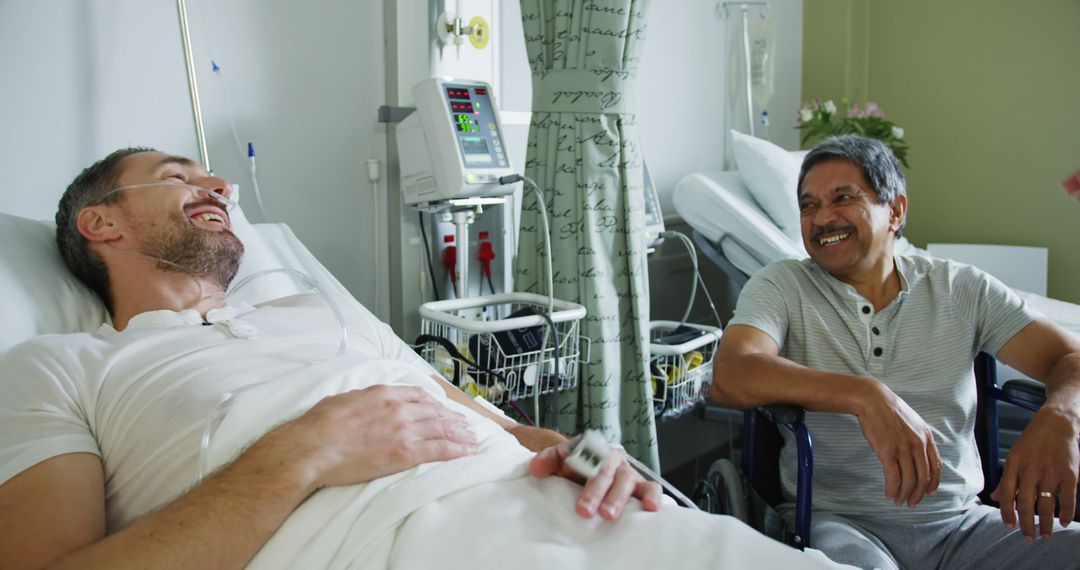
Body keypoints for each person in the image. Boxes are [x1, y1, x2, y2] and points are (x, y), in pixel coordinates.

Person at [0, 148, 849, 569]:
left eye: (219, 181)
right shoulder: (62, 367)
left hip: (587, 519)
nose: (220, 189)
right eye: (180, 175)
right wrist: (304, 453)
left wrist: (592, 457)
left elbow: (497, 422)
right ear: (101, 224)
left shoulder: (314, 308)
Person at [712, 135, 1080, 570]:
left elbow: (1067, 359)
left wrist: (1061, 417)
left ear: (896, 211)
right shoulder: (782, 286)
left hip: (961, 527)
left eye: (842, 198)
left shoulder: (961, 288)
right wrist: (866, 395)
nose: (822, 218)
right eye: (808, 206)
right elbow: (732, 372)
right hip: (839, 525)